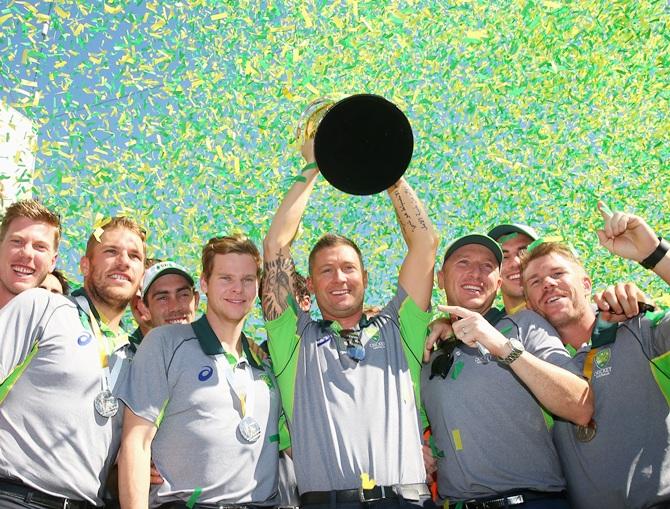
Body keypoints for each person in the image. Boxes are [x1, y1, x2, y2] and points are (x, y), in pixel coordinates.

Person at [262, 139, 439, 508]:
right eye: (326, 271)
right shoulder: (293, 339)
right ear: (309, 284)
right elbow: (277, 245)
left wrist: (389, 173)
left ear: (366, 277)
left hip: (407, 501)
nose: (338, 278)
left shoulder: (399, 329)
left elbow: (425, 242)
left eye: (348, 268)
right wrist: (312, 165)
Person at [421, 233, 593, 507]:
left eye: (487, 266)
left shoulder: (525, 325)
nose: (476, 273)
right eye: (463, 263)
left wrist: (502, 346)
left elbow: (581, 406)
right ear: (440, 279)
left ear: (499, 283)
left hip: (531, 501)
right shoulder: (429, 347)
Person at [521, 203, 670, 508]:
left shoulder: (639, 325)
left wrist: (654, 254)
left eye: (558, 273)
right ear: (531, 305)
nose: (547, 283)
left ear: (586, 284)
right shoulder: (531, 368)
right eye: (535, 282)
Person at [118, 234, 280, 509]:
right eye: (226, 278)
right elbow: (135, 444)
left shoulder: (264, 359)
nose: (237, 289)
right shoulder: (165, 342)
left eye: (247, 280)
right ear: (205, 283)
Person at [0, 216, 146, 508]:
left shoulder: (135, 356)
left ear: (141, 275)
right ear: (85, 265)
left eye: (134, 256)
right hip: (16, 497)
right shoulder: (42, 306)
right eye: (111, 251)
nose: (123, 261)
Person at [0, 199, 61, 308]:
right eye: (17, 241)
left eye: (40, 247)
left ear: (53, 262)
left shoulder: (61, 323)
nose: (27, 253)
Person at [487, 224, 539, 314]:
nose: (516, 263)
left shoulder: (568, 317)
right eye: (504, 257)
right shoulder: (485, 325)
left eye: (524, 253)